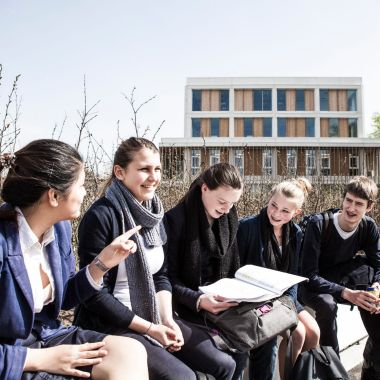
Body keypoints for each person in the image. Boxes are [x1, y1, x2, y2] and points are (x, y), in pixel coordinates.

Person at [74, 137, 236, 380]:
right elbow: (95, 295)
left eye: (157, 169)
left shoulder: (153, 214)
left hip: (153, 314)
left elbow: (160, 275)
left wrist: (168, 320)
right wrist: (151, 328)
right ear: (120, 172)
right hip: (113, 322)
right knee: (184, 378)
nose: (153, 177)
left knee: (225, 364)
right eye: (144, 169)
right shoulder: (101, 217)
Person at [0, 139, 148, 380]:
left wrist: (102, 263)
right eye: (80, 185)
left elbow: (66, 296)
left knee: (129, 351)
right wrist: (40, 359)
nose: (86, 191)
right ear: (54, 196)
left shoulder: (59, 230)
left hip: (47, 336)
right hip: (13, 353)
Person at [164, 162, 248, 380]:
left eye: (233, 203)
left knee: (248, 346)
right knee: (227, 358)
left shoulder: (230, 218)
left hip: (222, 302)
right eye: (222, 201)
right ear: (204, 188)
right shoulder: (176, 220)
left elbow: (234, 265)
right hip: (186, 305)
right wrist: (199, 300)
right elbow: (167, 277)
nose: (227, 209)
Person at [237, 178, 320, 380]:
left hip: (283, 297)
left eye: (285, 211)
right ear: (269, 198)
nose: (276, 213)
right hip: (256, 298)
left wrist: (288, 304)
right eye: (274, 205)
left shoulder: (296, 233)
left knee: (314, 332)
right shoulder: (247, 227)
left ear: (296, 213)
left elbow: (293, 274)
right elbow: (235, 271)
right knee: (297, 334)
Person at [299, 176, 380, 380]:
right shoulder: (319, 224)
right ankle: (333, 372)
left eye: (359, 204)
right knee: (327, 305)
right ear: (343, 199)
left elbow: (378, 265)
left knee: (372, 297)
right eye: (349, 200)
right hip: (311, 284)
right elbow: (308, 274)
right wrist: (346, 293)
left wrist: (377, 287)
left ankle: (371, 365)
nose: (351, 208)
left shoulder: (368, 227)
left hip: (340, 278)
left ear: (369, 207)